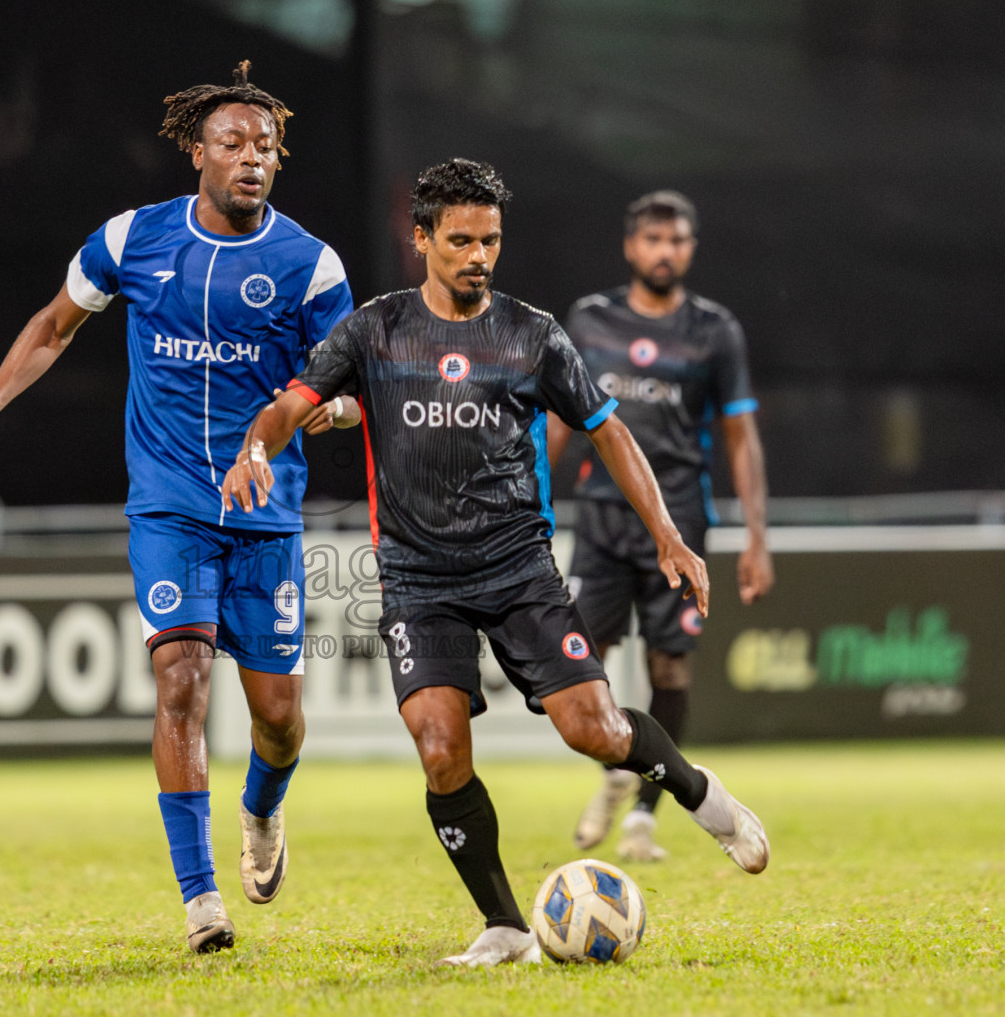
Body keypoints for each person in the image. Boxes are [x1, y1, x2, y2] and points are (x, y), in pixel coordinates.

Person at [221, 160, 768, 967]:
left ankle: (697, 793)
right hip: (417, 578)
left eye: (491, 241)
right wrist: (255, 449)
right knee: (440, 748)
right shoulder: (375, 328)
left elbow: (609, 431)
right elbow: (293, 404)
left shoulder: (533, 333)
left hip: (519, 568)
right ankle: (507, 926)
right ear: (422, 239)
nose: (478, 255)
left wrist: (668, 534)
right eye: (461, 240)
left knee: (599, 731)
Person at [0, 62, 360, 954]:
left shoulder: (311, 265)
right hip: (167, 502)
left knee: (277, 717)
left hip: (266, 513)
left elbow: (341, 389)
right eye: (234, 143)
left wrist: (323, 410)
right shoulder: (132, 240)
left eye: (267, 148)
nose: (252, 158)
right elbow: (55, 326)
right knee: (180, 683)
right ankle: (202, 899)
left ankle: (262, 811)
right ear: (196, 152)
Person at [548, 190, 774, 863]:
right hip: (602, 521)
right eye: (653, 239)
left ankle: (644, 814)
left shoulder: (715, 330)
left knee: (670, 668)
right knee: (580, 661)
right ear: (630, 246)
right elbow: (557, 419)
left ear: (690, 249)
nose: (664, 251)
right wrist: (527, 495)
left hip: (678, 523)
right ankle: (621, 761)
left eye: (676, 240)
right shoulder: (590, 321)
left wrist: (757, 536)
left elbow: (741, 435)